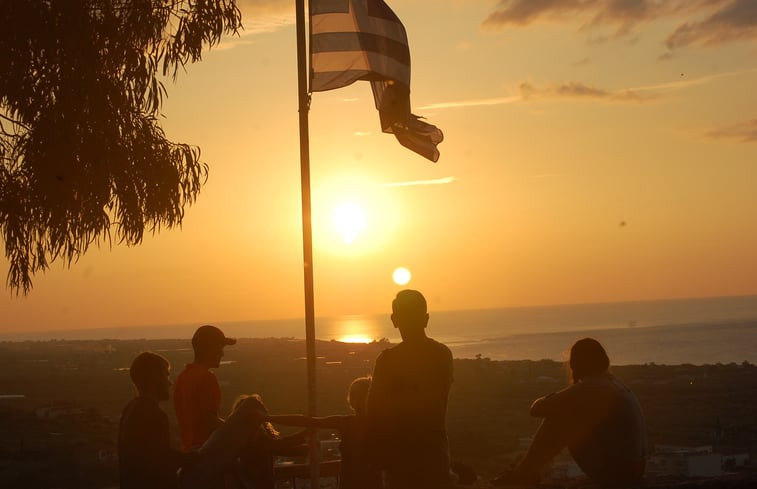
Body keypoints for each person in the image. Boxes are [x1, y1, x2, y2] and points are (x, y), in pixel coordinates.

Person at [492, 338, 646, 487]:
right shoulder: (613, 383)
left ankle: (525, 473)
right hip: (633, 471)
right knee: (568, 415)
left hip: (616, 475)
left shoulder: (592, 386)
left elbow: (537, 409)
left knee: (561, 418)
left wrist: (554, 398)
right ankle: (527, 471)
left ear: (577, 363)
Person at [367, 290, 454, 489]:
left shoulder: (387, 360)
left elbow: (373, 410)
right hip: (433, 454)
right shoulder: (441, 354)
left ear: (394, 320)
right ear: (426, 319)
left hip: (399, 458)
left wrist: (374, 451)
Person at [267, 376, 382, 489]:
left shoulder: (347, 423)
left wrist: (269, 418)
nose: (357, 400)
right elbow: (307, 421)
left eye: (360, 396)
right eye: (354, 396)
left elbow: (307, 421)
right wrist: (269, 418)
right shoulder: (376, 423)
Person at [118, 351, 196, 489]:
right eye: (166, 375)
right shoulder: (153, 414)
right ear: (155, 378)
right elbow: (159, 463)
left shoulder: (130, 409)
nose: (170, 383)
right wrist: (193, 458)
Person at [174, 325, 236, 452]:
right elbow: (210, 420)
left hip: (188, 451)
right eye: (220, 347)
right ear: (210, 348)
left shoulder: (183, 377)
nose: (222, 353)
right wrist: (238, 431)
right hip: (205, 451)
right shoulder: (206, 377)